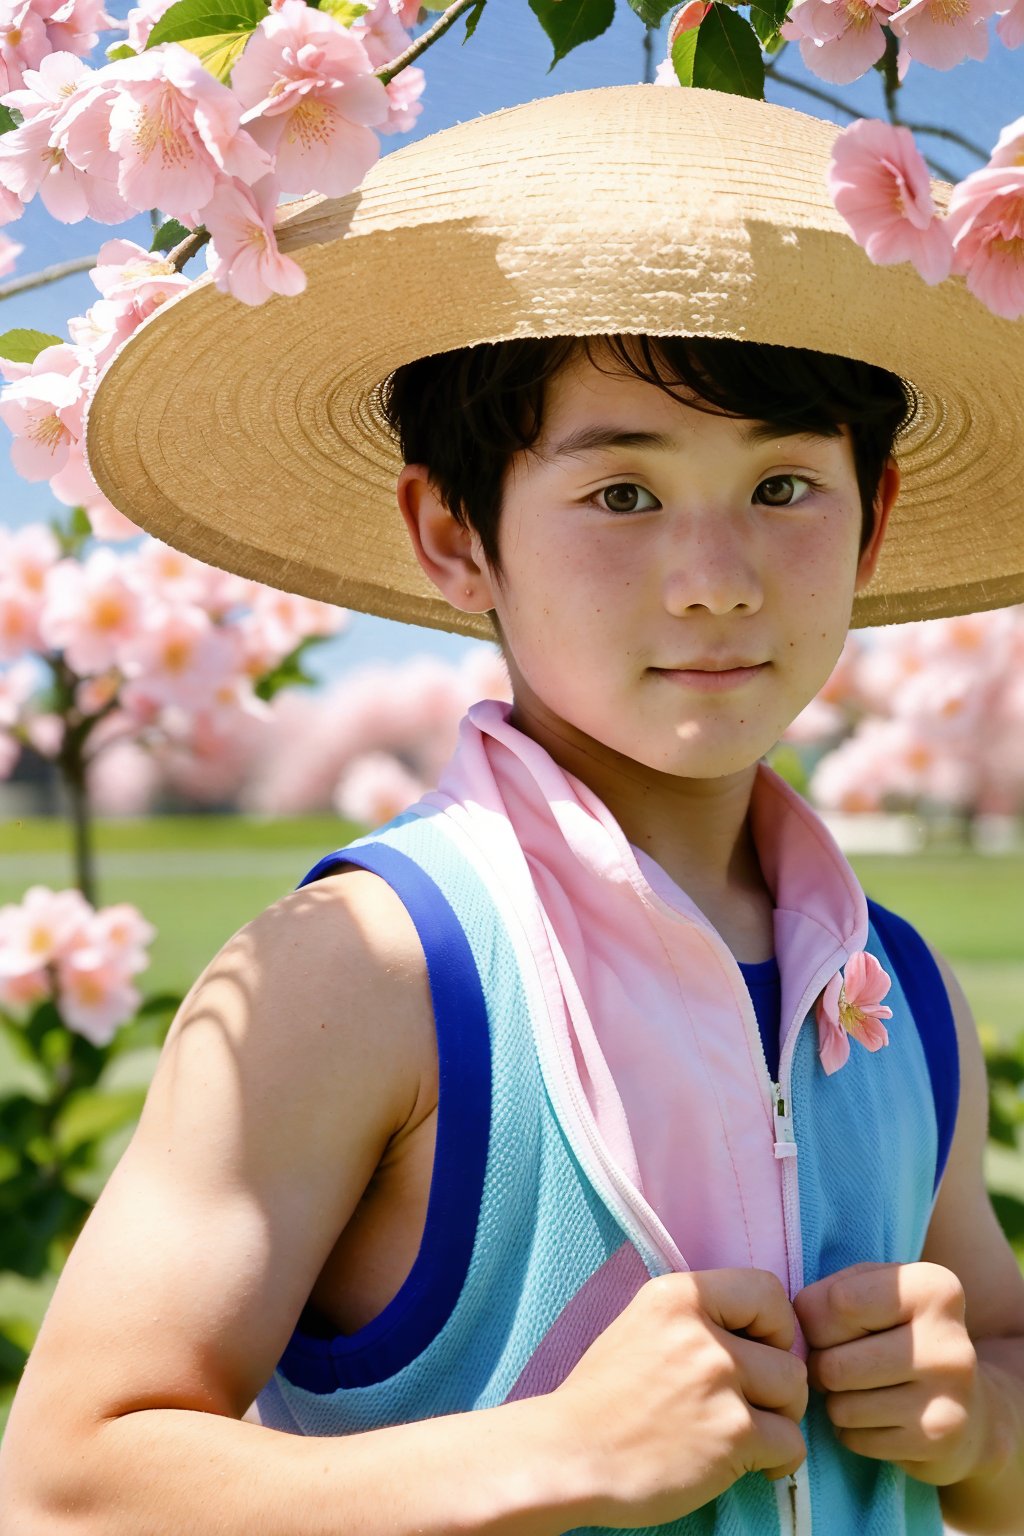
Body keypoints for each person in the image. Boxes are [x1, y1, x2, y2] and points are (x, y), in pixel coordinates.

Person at [3, 83, 1024, 1536]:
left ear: (878, 517)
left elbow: (1001, 1374)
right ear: (451, 535)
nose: (717, 577)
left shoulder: (897, 993)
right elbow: (64, 1486)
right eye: (621, 495)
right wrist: (552, 1453)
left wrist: (977, 1421)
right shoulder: (362, 973)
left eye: (786, 484)